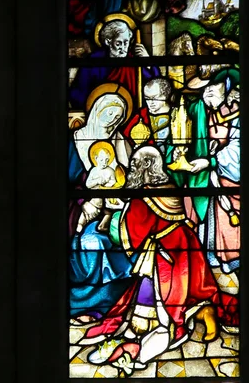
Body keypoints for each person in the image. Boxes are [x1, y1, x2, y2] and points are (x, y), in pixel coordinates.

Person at [80, 146, 239, 373]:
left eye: (135, 163)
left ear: (144, 166)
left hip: (163, 252)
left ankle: (148, 332)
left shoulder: (143, 195)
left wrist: (119, 212)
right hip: (185, 244)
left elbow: (135, 230)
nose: (132, 168)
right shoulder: (169, 187)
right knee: (183, 289)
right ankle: (203, 313)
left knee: (161, 295)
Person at [69, 87, 135, 320]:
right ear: (98, 111)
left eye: (118, 118)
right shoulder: (75, 140)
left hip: (116, 208)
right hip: (80, 208)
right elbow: (69, 180)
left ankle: (107, 302)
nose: (113, 121)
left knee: (105, 239)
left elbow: (130, 178)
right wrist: (83, 202)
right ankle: (87, 303)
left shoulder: (119, 141)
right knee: (90, 241)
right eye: (110, 114)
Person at [183, 67, 241, 273]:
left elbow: (239, 153)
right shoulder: (201, 110)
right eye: (204, 87)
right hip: (209, 182)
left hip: (230, 181)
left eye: (212, 86)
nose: (206, 91)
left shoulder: (238, 112)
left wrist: (211, 162)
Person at [69, 16, 160, 109]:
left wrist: (147, 62)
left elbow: (155, 84)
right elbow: (79, 92)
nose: (123, 48)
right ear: (108, 42)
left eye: (126, 42)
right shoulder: (95, 60)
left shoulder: (133, 60)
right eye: (118, 43)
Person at [76, 141, 126, 234]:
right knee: (91, 207)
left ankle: (103, 226)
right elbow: (88, 184)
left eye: (107, 160)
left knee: (109, 210)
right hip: (95, 198)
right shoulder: (94, 170)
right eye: (102, 160)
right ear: (96, 158)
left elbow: (114, 183)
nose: (104, 162)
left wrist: (106, 185)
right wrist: (97, 181)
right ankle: (80, 225)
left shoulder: (110, 170)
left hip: (107, 196)